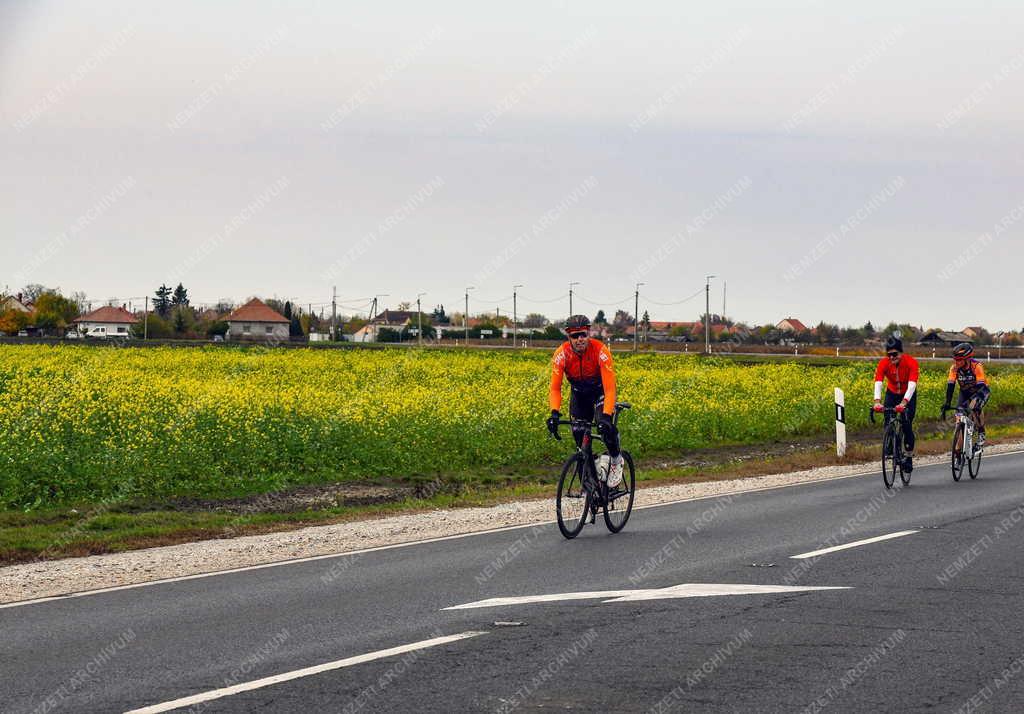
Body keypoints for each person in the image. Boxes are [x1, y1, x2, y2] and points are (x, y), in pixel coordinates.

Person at [546, 315, 624, 487]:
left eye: (583, 334)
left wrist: (605, 416)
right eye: (575, 336)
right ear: (568, 337)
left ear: (588, 333)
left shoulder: (600, 351)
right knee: (580, 439)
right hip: (579, 395)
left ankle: (616, 459)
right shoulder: (561, 354)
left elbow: (610, 388)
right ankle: (590, 484)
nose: (580, 339)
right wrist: (554, 413)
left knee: (604, 428)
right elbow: (555, 388)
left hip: (600, 393)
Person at [873, 335, 920, 472]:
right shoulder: (884, 363)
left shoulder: (911, 362)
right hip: (892, 393)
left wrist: (904, 403)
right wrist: (877, 401)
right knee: (888, 418)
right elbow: (878, 382)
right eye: (889, 355)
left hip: (908, 394)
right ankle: (890, 443)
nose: (892, 357)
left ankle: (909, 456)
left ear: (901, 353)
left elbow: (912, 385)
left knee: (906, 424)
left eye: (895, 354)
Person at [942, 343, 991, 447]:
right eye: (955, 359)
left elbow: (980, 387)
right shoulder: (954, 368)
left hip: (981, 391)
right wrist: (947, 402)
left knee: (975, 408)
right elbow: (950, 386)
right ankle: (958, 452)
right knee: (959, 417)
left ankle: (981, 432)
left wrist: (973, 403)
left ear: (968, 359)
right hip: (964, 392)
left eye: (959, 360)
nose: (956, 362)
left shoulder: (977, 366)